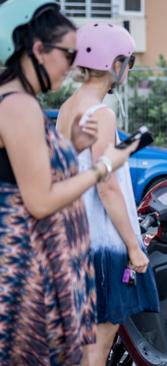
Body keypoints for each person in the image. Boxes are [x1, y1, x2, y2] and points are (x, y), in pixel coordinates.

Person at [0, 0, 136, 364]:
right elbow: (40, 200)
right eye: (68, 54)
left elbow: (24, 170)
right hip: (22, 266)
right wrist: (105, 165)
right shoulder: (18, 105)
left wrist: (71, 146)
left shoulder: (14, 100)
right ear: (38, 50)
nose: (75, 65)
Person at [56, 22, 160, 364]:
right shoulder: (101, 113)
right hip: (103, 244)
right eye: (129, 62)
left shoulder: (69, 107)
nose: (129, 69)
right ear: (115, 64)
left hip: (73, 241)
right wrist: (134, 247)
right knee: (97, 350)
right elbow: (106, 185)